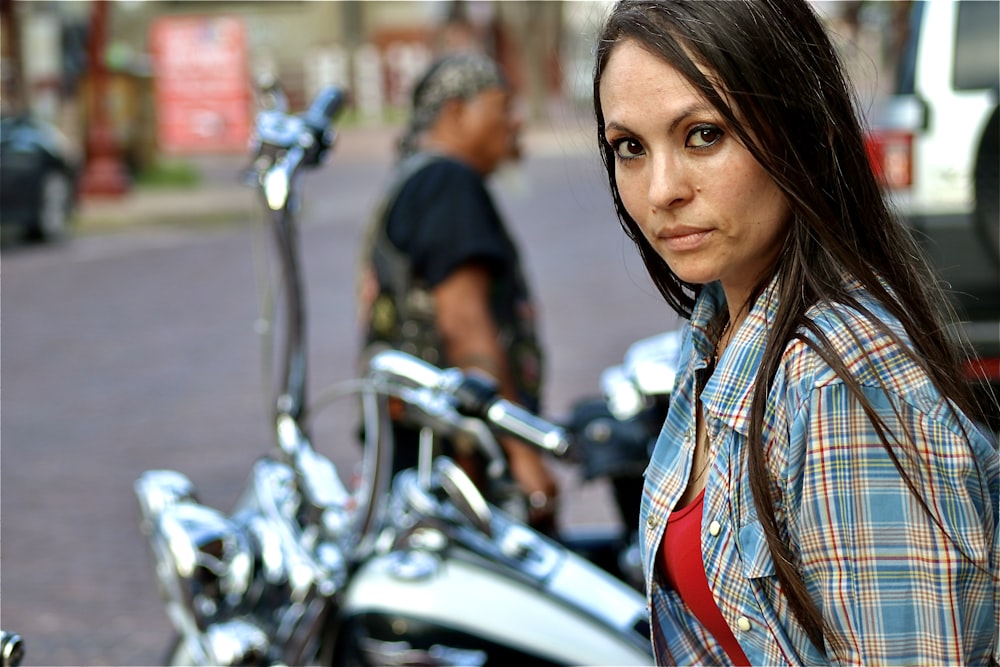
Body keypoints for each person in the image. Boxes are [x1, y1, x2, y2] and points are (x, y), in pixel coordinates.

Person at [592, 1, 999, 664]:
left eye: (703, 135)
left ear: (802, 132)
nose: (661, 189)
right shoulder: (714, 334)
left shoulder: (840, 382)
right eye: (630, 147)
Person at [358, 51, 559, 531]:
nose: (515, 123)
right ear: (455, 111)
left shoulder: (413, 180)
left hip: (424, 448)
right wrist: (522, 454)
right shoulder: (447, 182)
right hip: (462, 460)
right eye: (501, 107)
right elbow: (464, 323)